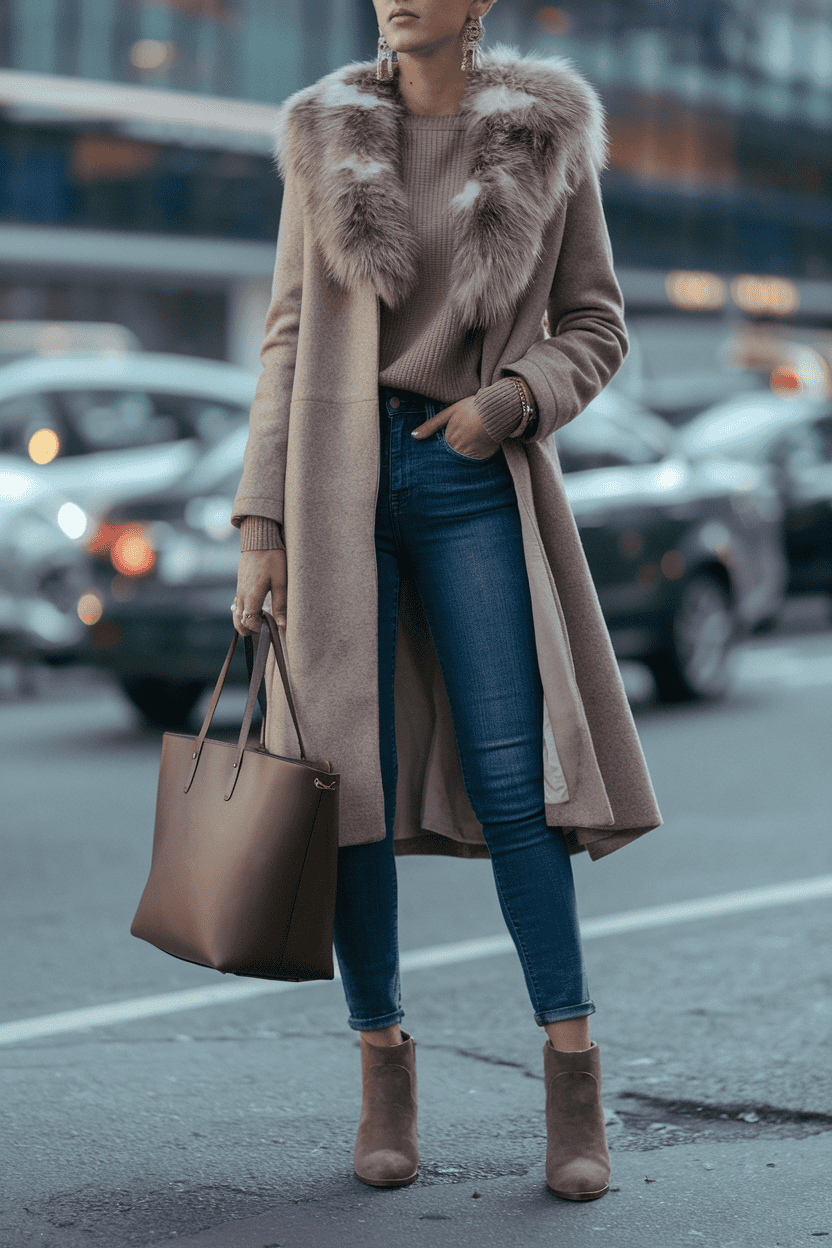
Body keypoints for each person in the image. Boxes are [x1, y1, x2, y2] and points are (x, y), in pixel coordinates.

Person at [230, 0, 661, 1202]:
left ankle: (571, 1079)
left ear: (476, 5)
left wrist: (510, 402)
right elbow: (284, 337)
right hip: (332, 485)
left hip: (470, 473)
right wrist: (260, 522)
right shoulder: (320, 131)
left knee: (515, 781)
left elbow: (595, 323)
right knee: (348, 788)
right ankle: (384, 1071)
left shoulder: (543, 133)